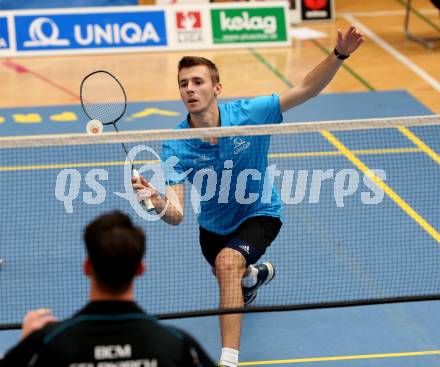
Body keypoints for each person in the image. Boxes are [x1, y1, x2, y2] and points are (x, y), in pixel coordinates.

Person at [132, 27, 364, 367]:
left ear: (216, 88)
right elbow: (177, 214)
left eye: (197, 81)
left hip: (259, 212)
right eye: (183, 84)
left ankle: (227, 360)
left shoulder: (251, 113)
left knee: (228, 265)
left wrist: (339, 54)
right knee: (230, 270)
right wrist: (154, 202)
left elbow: (306, 89)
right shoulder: (175, 144)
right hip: (212, 227)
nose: (190, 90)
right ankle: (253, 277)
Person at [0, 211, 216, 367]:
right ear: (140, 268)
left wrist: (23, 347)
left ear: (87, 267)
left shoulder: (49, 341)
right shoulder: (176, 344)